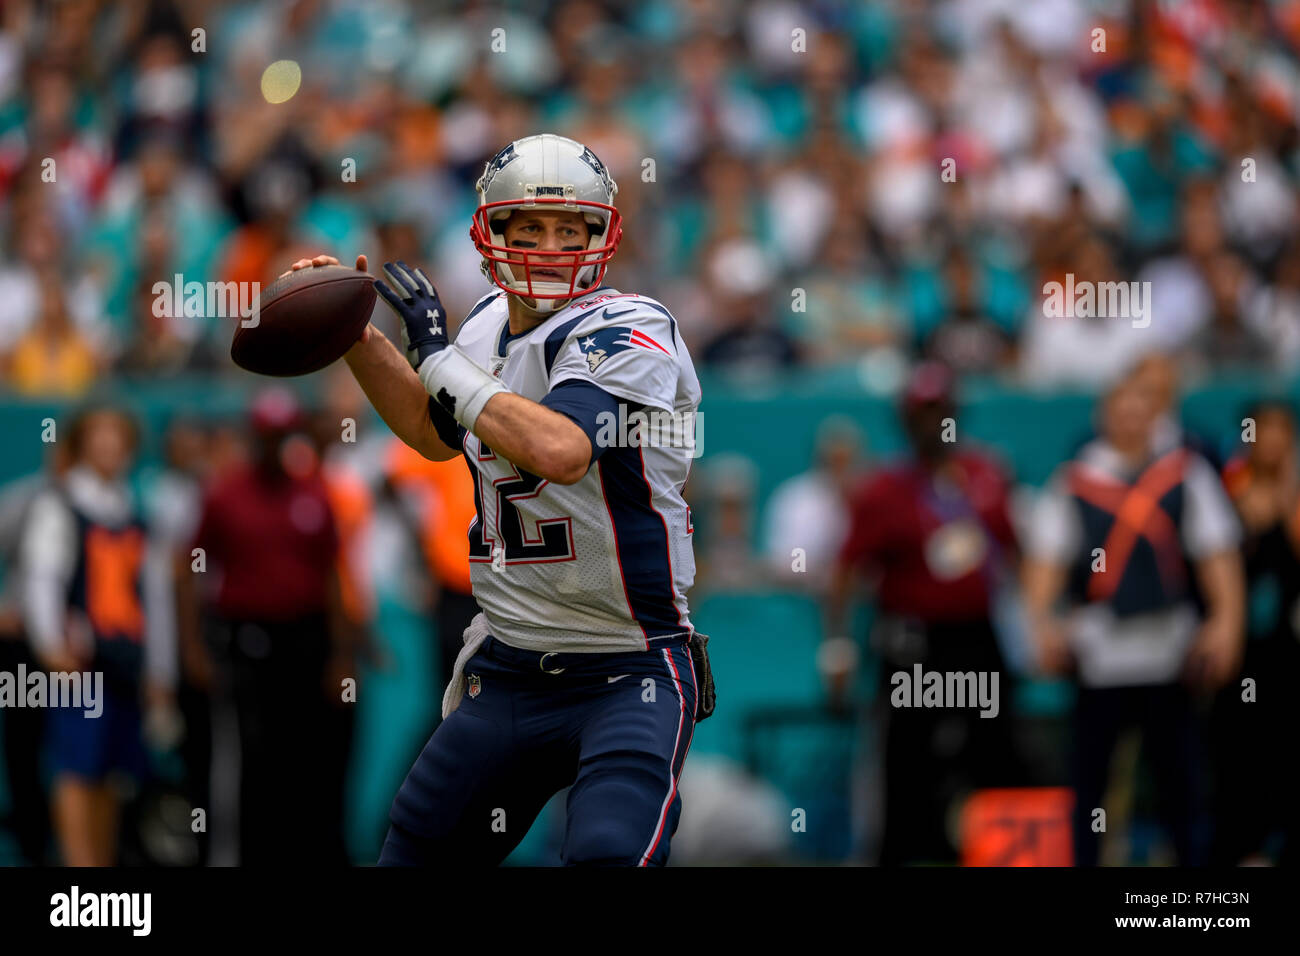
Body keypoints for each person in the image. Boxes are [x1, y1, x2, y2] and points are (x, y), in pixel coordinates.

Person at [287, 133, 714, 866]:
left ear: (600, 237)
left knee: (608, 855)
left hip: (629, 666)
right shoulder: (484, 326)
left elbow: (560, 449)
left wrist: (438, 357)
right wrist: (359, 337)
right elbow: (432, 430)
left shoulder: (631, 327)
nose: (550, 246)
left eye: (568, 229)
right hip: (512, 665)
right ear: (493, 233)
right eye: (531, 227)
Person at [1021, 374, 1244, 866]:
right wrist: (1042, 623)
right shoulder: (1076, 480)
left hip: (1170, 651)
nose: (1131, 416)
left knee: (1179, 784)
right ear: (1104, 414)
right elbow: (1045, 562)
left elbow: (1217, 554)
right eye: (1121, 405)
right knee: (1092, 786)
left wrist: (1227, 623)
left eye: (1142, 405)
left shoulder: (1184, 474)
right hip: (1101, 655)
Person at [822, 361, 1024, 865]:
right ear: (905, 421)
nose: (934, 424)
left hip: (978, 638)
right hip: (913, 644)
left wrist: (1035, 624)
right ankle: (901, 854)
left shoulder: (986, 476)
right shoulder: (885, 490)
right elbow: (846, 571)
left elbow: (1016, 553)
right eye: (922, 414)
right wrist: (839, 647)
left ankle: (999, 854)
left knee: (994, 749)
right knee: (906, 761)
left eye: (941, 412)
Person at [178, 388, 356, 865]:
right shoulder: (224, 493)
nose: (274, 443)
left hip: (307, 639)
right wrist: (193, 647)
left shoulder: (313, 491)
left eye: (282, 434)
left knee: (308, 760)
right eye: (266, 434)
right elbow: (188, 568)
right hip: (247, 642)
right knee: (253, 760)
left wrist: (340, 655)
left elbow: (333, 574)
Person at [20, 405, 177, 866]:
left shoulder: (136, 514)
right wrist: (51, 646)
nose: (108, 446)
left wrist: (159, 669)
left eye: (117, 436)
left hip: (125, 662)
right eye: (98, 436)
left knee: (113, 771)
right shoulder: (60, 503)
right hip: (81, 663)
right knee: (76, 768)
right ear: (81, 444)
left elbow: (156, 600)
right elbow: (41, 577)